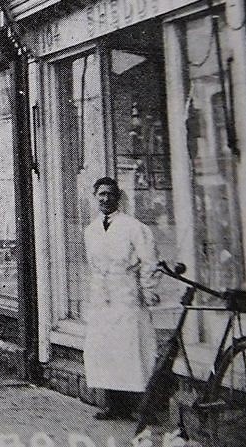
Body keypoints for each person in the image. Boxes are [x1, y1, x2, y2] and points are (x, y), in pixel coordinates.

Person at [83, 176, 161, 421]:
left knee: (132, 348)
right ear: (95, 198)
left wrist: (148, 289)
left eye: (110, 194)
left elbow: (149, 261)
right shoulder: (91, 230)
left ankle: (143, 406)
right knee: (106, 349)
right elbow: (93, 265)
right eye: (101, 194)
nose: (105, 199)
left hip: (127, 293)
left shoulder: (133, 227)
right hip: (102, 296)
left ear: (118, 197)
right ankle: (114, 405)